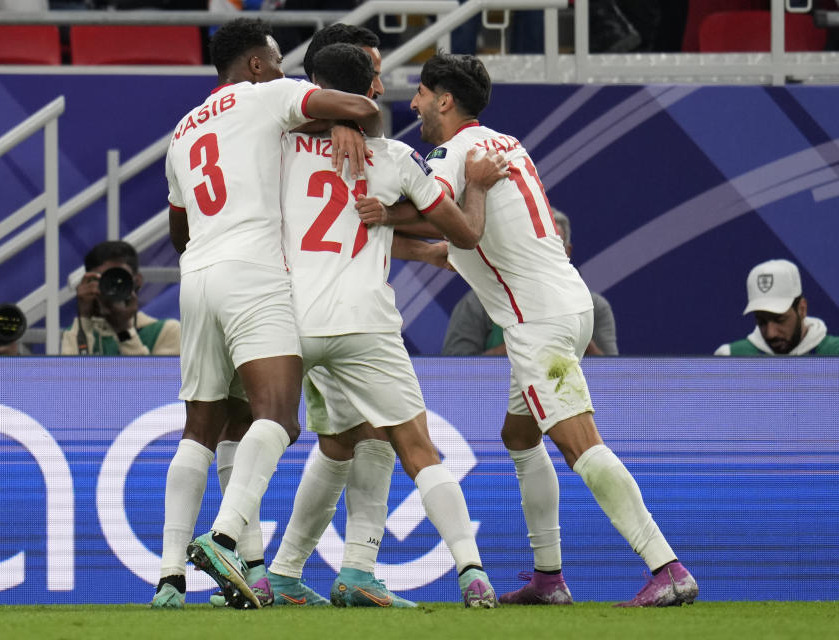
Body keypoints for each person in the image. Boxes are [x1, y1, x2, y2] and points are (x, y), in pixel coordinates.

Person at [362, 52, 698, 607]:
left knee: (579, 444)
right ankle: (549, 579)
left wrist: (374, 213)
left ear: (445, 100)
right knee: (519, 437)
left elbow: (438, 215)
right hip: (562, 301)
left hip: (537, 319)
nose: (414, 103)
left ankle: (667, 567)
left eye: (421, 93)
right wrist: (396, 239)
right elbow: (459, 247)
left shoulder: (454, 153)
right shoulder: (504, 143)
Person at [260, 42, 505, 610]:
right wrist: (475, 189)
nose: (382, 90)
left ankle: (279, 569)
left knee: (340, 439)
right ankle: (472, 574)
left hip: (292, 317)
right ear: (360, 90)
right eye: (374, 78)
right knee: (413, 444)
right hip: (364, 321)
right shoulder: (394, 158)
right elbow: (466, 234)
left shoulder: (277, 150)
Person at [152, 17, 381, 610]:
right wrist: (341, 116)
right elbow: (364, 105)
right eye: (278, 60)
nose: (285, 71)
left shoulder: (181, 131)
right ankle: (227, 538)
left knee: (204, 427)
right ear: (255, 64)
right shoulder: (268, 95)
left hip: (196, 277)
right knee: (279, 416)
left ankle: (170, 578)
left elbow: (177, 228)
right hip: (252, 272)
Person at [442, 208, 619, 356]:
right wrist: (528, 343)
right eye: (534, 246)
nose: (542, 254)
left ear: (567, 252)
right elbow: (453, 374)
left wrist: (573, 332)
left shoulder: (595, 307)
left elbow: (614, 379)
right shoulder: (478, 303)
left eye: (552, 246)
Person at [61, 241, 180, 356]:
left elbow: (147, 377)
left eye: (118, 279)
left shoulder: (166, 332)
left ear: (137, 281)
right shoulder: (78, 332)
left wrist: (124, 331)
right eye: (102, 280)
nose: (111, 287)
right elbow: (71, 375)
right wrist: (83, 319)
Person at [714, 259, 839, 356]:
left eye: (780, 320)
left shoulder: (834, 352)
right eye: (761, 322)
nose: (770, 333)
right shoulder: (731, 358)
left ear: (802, 309)